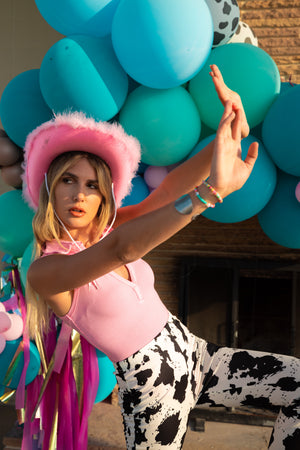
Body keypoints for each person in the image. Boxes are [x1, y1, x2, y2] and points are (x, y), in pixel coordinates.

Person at [22, 65, 300, 450]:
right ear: (50, 187)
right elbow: (123, 251)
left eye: (91, 184)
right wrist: (210, 194)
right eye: (68, 180)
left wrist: (226, 135)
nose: (79, 194)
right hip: (152, 391)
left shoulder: (111, 227)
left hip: (197, 357)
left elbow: (169, 190)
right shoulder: (47, 270)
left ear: (104, 194)